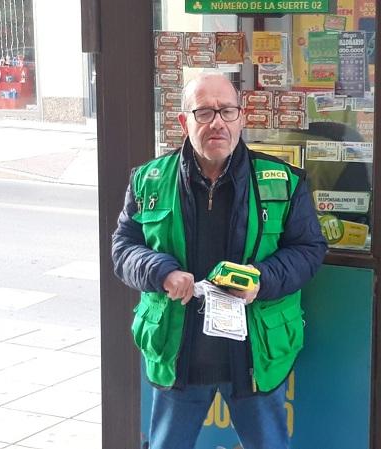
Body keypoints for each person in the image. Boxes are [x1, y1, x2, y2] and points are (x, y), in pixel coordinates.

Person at [111, 72, 327, 449]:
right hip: (179, 353)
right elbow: (123, 247)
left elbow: (309, 249)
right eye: (204, 112)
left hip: (254, 357)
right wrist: (161, 272)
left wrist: (262, 279)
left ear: (241, 118)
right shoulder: (148, 180)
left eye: (227, 111)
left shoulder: (283, 181)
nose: (217, 123)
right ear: (184, 121)